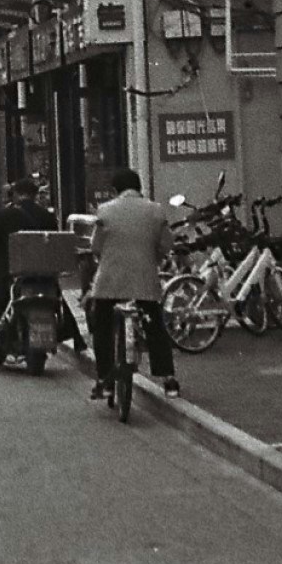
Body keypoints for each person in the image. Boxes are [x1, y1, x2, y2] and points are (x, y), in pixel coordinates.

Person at [86, 168, 180, 401]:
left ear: (116, 189)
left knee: (103, 327)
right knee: (155, 328)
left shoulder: (105, 211)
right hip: (144, 282)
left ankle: (103, 380)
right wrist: (154, 257)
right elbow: (167, 245)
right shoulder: (156, 211)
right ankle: (168, 380)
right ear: (139, 187)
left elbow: (95, 248)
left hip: (109, 283)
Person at [0, 177, 58, 371]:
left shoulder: (4, 216)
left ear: (16, 194)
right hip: (42, 275)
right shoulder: (47, 216)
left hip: (8, 274)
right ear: (35, 195)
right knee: (58, 305)